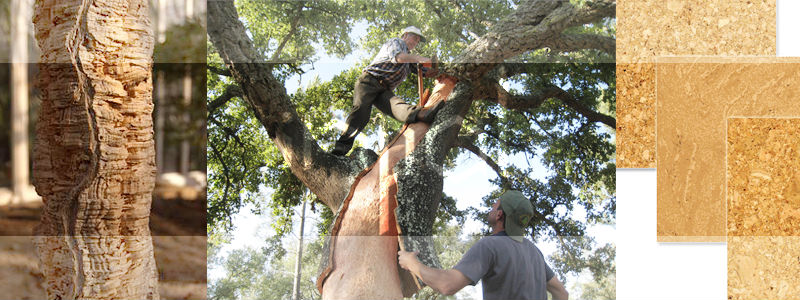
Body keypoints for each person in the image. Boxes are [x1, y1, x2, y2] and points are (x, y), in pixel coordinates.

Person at [398, 190, 570, 300]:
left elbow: (447, 285)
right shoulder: (534, 252)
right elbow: (562, 294)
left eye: (494, 206)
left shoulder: (490, 246)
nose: (492, 208)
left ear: (499, 215)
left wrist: (412, 263)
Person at [331, 26, 444, 156]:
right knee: (361, 112)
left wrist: (434, 71)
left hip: (384, 89)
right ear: (405, 35)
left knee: (396, 106)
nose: (416, 42)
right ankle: (341, 149)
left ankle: (423, 114)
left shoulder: (410, 59)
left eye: (418, 41)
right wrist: (421, 58)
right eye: (415, 38)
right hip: (370, 81)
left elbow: (423, 72)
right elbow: (399, 58)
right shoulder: (396, 42)